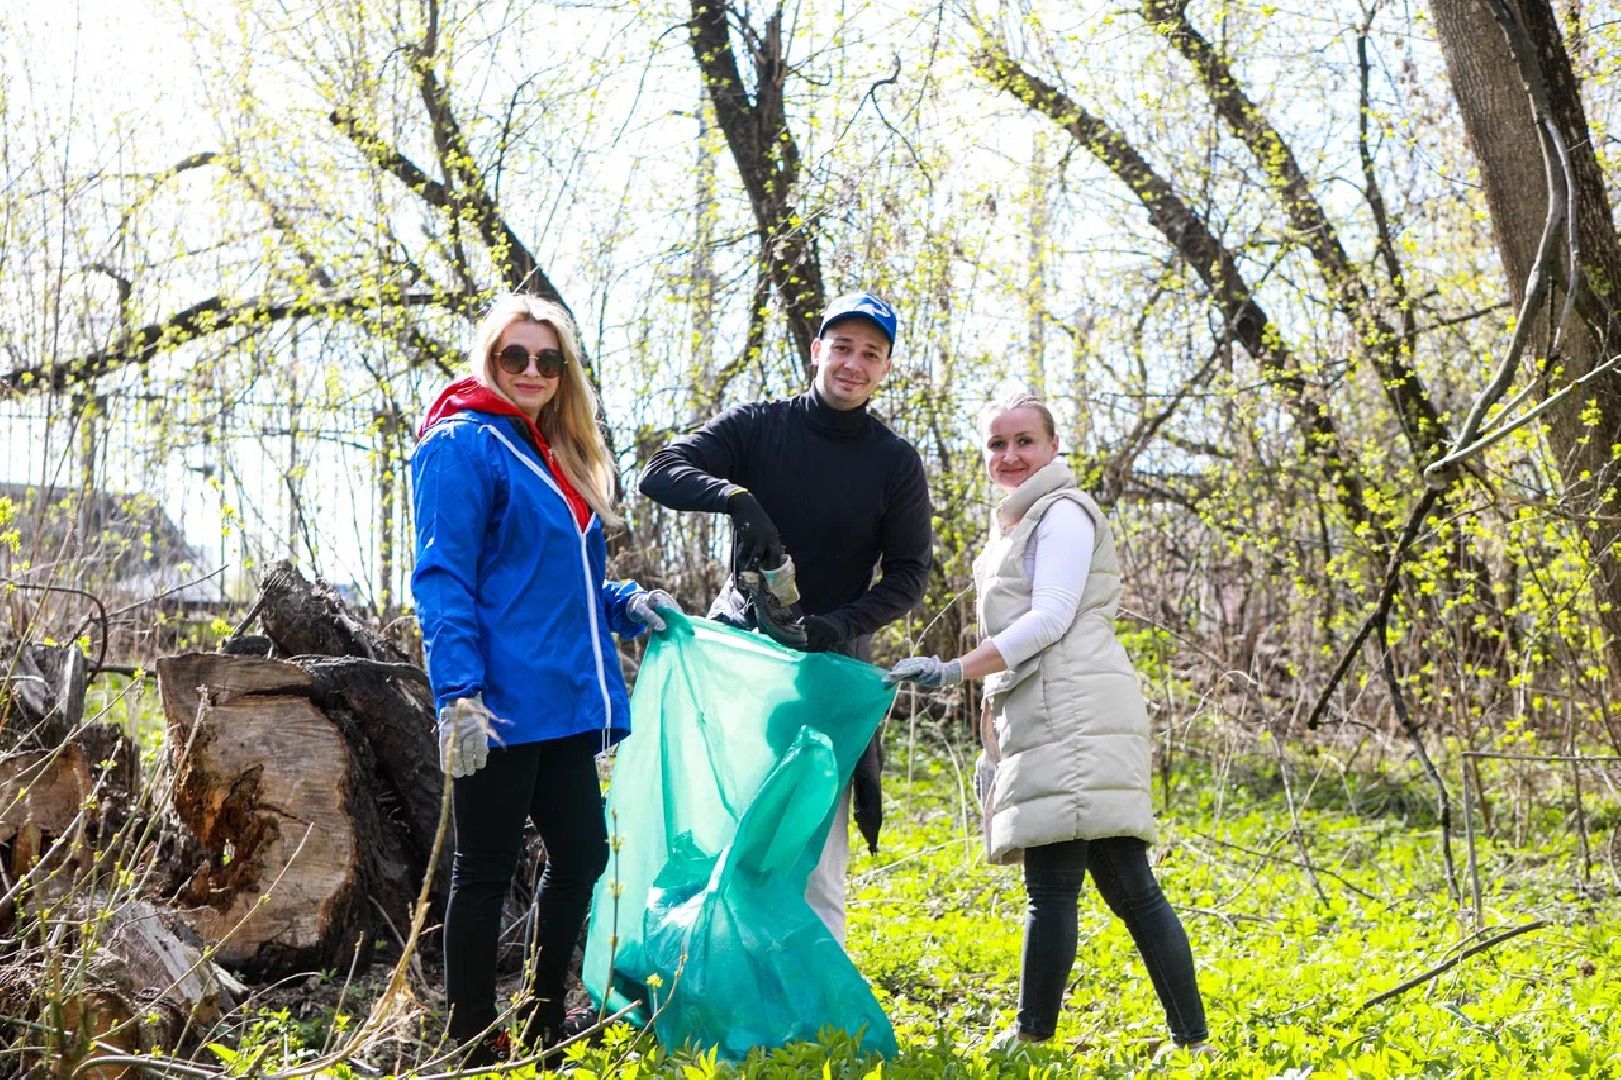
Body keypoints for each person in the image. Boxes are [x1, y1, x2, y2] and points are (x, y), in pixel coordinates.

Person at [884, 392, 1210, 1055]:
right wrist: (990, 727)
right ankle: (1190, 1042)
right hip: (1048, 707)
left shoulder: (1060, 514)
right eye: (996, 445)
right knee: (1121, 884)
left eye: (1023, 441)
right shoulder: (1014, 522)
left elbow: (1050, 617)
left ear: (1053, 447)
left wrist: (955, 669)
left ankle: (1034, 1039)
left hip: (1075, 708)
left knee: (1059, 884)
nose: (1009, 456)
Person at [410, 293, 678, 1065]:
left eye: (547, 359)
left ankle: (540, 1024)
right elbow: (443, 577)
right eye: (513, 356)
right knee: (485, 867)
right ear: (488, 360)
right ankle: (470, 1040)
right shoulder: (461, 444)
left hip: (561, 698)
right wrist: (457, 693)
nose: (530, 370)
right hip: (495, 702)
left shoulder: (552, 453)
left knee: (584, 856)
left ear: (565, 373)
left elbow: (555, 585)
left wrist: (625, 603)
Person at [637, 291, 932, 944]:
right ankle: (706, 968)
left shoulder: (894, 463)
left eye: (871, 353)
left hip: (827, 675)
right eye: (842, 347)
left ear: (885, 368)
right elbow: (659, 473)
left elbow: (911, 574)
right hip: (741, 657)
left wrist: (835, 627)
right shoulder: (758, 426)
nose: (852, 363)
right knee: (728, 824)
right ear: (815, 350)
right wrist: (735, 498)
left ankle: (814, 1003)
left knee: (813, 846)